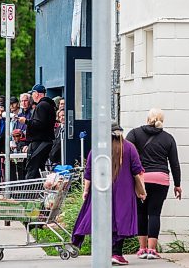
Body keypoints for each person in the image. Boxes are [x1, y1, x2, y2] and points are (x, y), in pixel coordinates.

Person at [72, 122, 146, 265]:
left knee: (103, 220)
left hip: (101, 191)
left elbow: (89, 173)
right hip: (124, 191)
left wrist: (86, 191)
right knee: (120, 220)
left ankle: (104, 253)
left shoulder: (98, 149)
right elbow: (137, 171)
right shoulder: (129, 148)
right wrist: (141, 191)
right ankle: (117, 253)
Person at [126, 108, 182, 260]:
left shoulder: (134, 133)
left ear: (147, 119)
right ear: (162, 121)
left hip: (141, 179)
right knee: (154, 213)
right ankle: (152, 250)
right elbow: (174, 164)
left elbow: (126, 155)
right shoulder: (168, 138)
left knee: (141, 213)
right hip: (160, 179)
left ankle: (142, 248)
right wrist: (177, 184)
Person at [18, 84, 56, 179]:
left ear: (37, 94)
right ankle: (40, 191)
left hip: (40, 141)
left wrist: (25, 121)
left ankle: (30, 193)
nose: (31, 97)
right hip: (45, 141)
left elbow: (39, 124)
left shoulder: (41, 106)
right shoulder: (49, 105)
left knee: (32, 168)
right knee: (39, 168)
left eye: (32, 94)